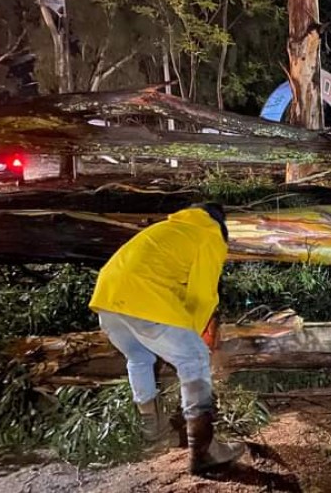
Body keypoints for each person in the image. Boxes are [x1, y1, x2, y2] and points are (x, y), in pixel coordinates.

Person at [89, 202, 243, 475]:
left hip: (107, 296)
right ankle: (204, 450)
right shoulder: (210, 235)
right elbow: (202, 294)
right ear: (221, 224)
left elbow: (170, 280)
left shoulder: (169, 228)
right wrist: (194, 339)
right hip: (140, 297)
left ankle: (153, 433)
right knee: (193, 359)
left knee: (139, 357)